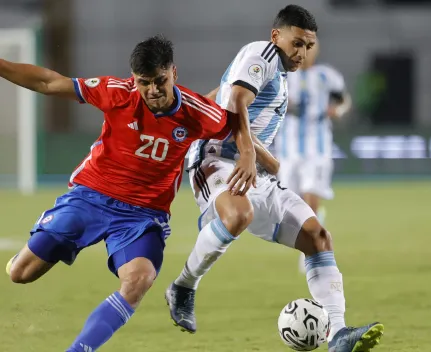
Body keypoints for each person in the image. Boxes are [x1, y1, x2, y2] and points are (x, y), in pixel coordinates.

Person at [1, 34, 258, 351]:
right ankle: (36, 244)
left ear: (173, 73)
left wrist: (248, 154)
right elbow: (48, 83)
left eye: (160, 81)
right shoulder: (116, 92)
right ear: (133, 79)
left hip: (143, 215)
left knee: (139, 280)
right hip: (91, 195)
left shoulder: (196, 112)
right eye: (144, 82)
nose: (152, 91)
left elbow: (234, 121)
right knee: (20, 273)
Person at [165, 5, 384, 352]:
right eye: (297, 43)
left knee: (318, 237)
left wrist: (261, 158)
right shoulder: (262, 54)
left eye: (308, 46)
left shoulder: (280, 74)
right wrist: (254, 154)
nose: (302, 52)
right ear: (276, 36)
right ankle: (184, 286)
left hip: (254, 168)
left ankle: (338, 334)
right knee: (237, 215)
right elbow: (236, 100)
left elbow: (220, 99)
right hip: (218, 160)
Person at [274, 41, 352, 274]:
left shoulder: (327, 76)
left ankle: (311, 252)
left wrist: (337, 111)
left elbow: (343, 100)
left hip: (317, 149)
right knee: (291, 207)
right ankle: (315, 224)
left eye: (310, 46)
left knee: (311, 198)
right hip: (287, 149)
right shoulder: (281, 77)